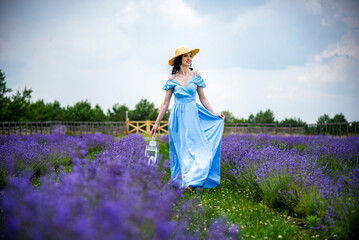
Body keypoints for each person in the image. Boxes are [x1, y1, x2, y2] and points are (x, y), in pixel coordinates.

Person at [151, 46, 225, 191]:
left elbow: (203, 98)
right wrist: (157, 123)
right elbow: (165, 103)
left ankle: (193, 180)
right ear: (179, 59)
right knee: (181, 151)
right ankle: (185, 182)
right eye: (186, 56)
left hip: (193, 116)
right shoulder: (172, 79)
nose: (189, 58)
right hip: (177, 119)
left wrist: (214, 112)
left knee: (199, 149)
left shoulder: (196, 75)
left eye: (191, 56)